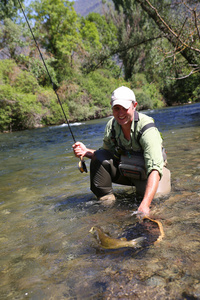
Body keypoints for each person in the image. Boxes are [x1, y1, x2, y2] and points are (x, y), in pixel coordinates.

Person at [73, 86, 171, 217]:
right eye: (116, 108)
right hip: (126, 170)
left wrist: (145, 204)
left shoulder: (147, 129)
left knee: (158, 201)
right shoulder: (112, 126)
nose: (120, 113)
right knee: (99, 157)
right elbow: (106, 155)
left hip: (149, 175)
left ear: (134, 106)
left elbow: (154, 169)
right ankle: (106, 205)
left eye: (125, 108)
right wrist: (86, 152)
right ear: (111, 108)